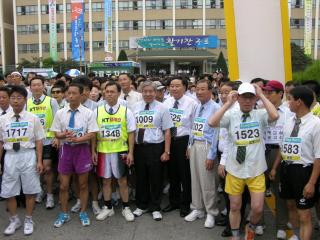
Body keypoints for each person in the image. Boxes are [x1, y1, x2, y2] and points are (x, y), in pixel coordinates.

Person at [209, 82, 279, 240]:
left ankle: (252, 227)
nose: (247, 101)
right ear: (238, 98)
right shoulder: (230, 115)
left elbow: (275, 116)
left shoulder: (260, 114)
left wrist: (261, 95)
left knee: (258, 208)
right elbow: (212, 123)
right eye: (244, 97)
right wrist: (227, 103)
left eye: (251, 97)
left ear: (255, 99)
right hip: (235, 169)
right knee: (234, 206)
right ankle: (235, 235)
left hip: (256, 169)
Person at [270, 86, 320, 240]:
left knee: (304, 214)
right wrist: (274, 167)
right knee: (291, 206)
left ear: (299, 102)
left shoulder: (316, 124)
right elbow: (283, 147)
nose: (287, 102)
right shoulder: (289, 121)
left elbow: (318, 157)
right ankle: (297, 235)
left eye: (290, 99)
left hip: (304, 172)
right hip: (286, 169)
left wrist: (311, 183)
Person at [51, 83, 99, 227]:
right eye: (69, 93)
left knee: (83, 184)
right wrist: (63, 134)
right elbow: (56, 133)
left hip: (82, 150)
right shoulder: (60, 113)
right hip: (66, 150)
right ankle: (63, 213)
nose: (71, 96)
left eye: (74, 93)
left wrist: (79, 139)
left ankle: (83, 212)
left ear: (81, 95)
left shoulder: (88, 113)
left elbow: (92, 133)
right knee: (64, 185)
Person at [0, 86, 45, 236]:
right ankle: (14, 220)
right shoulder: (2, 119)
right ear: (9, 99)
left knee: (30, 190)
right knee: (8, 191)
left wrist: (39, 160)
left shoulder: (33, 118)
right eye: (13, 97)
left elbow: (39, 140)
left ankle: (28, 219)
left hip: (28, 155)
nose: (16, 100)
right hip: (10, 156)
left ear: (25, 100)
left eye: (19, 98)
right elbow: (0, 142)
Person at [93, 81, 136, 222]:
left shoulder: (126, 111)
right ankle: (108, 207)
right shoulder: (97, 111)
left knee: (122, 181)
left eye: (112, 91)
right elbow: (93, 133)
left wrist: (130, 152)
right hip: (103, 151)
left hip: (121, 150)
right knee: (106, 181)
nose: (109, 94)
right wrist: (93, 151)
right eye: (107, 91)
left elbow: (131, 133)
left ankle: (126, 207)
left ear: (118, 93)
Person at [132, 80, 173, 221]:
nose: (148, 94)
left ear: (155, 93)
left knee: (156, 178)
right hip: (139, 147)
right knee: (141, 177)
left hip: (156, 147)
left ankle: (155, 206)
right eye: (145, 91)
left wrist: (166, 151)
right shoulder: (135, 107)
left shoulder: (162, 108)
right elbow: (132, 129)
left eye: (151, 91)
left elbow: (167, 130)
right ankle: (141, 206)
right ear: (141, 92)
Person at [184, 79, 220, 229]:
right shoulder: (198, 106)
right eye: (197, 89)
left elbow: (216, 133)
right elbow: (194, 127)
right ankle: (197, 208)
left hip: (207, 147)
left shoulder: (216, 108)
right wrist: (189, 145)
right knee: (196, 179)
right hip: (195, 145)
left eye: (203, 89)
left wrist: (211, 155)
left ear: (210, 91)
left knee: (208, 181)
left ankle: (211, 212)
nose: (199, 92)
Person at [262, 80, 293, 239]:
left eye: (270, 92)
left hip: (278, 152)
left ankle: (281, 224)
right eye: (265, 92)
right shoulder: (260, 110)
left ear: (281, 93)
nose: (266, 95)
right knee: (258, 188)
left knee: (279, 190)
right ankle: (259, 222)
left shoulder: (288, 113)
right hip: (260, 151)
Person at [162, 76, 197, 218]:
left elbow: (195, 127)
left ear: (185, 87)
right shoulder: (166, 102)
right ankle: (174, 201)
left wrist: (190, 146)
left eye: (177, 86)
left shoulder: (192, 103)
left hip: (184, 141)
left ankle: (185, 204)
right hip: (170, 141)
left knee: (185, 175)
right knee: (172, 174)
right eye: (172, 86)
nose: (174, 89)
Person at [26, 76, 59, 209]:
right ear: (30, 87)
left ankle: (50, 194)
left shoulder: (51, 101)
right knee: (36, 169)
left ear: (43, 86)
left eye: (39, 85)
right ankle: (40, 191)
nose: (36, 87)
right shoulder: (27, 103)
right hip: (32, 141)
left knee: (47, 168)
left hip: (48, 140)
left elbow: (57, 119)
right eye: (34, 85)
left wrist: (57, 137)